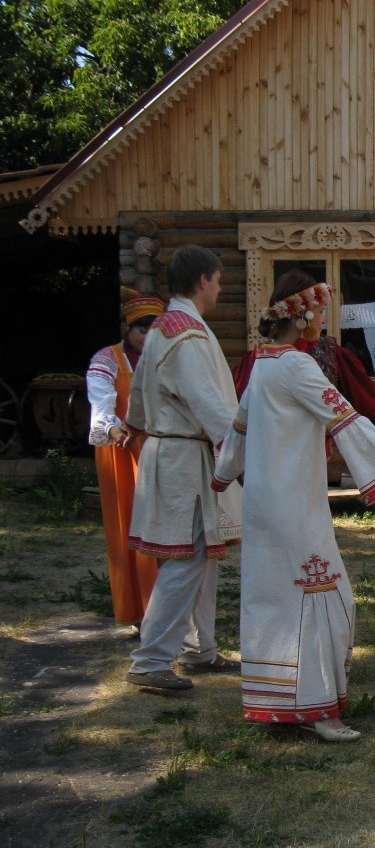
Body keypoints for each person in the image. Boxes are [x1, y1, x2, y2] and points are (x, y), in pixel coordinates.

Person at [212, 278, 375, 742]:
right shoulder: (297, 367)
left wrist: (220, 476)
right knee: (327, 599)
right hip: (294, 505)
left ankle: (277, 700)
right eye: (322, 315)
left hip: (264, 505)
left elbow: (237, 432)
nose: (326, 325)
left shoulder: (262, 366)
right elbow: (348, 421)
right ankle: (317, 711)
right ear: (301, 318)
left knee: (275, 599)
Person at [123, 245, 243, 691]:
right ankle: (151, 659)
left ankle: (199, 650)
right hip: (185, 455)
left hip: (173, 449)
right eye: (217, 279)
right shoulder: (186, 333)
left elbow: (138, 394)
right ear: (201, 281)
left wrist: (138, 424)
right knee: (187, 554)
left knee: (204, 555)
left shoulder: (163, 328)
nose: (219, 287)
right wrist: (239, 453)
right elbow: (207, 402)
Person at [231, 270, 375, 437]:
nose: (323, 319)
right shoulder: (258, 361)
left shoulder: (326, 351)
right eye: (321, 312)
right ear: (303, 315)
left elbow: (360, 391)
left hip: (309, 453)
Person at [86, 289, 163, 630]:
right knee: (129, 524)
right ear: (128, 329)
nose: (148, 337)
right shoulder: (108, 358)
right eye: (142, 329)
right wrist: (114, 429)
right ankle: (139, 611)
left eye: (154, 330)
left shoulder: (164, 358)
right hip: (120, 450)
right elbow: (101, 400)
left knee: (163, 528)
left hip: (157, 449)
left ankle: (165, 608)